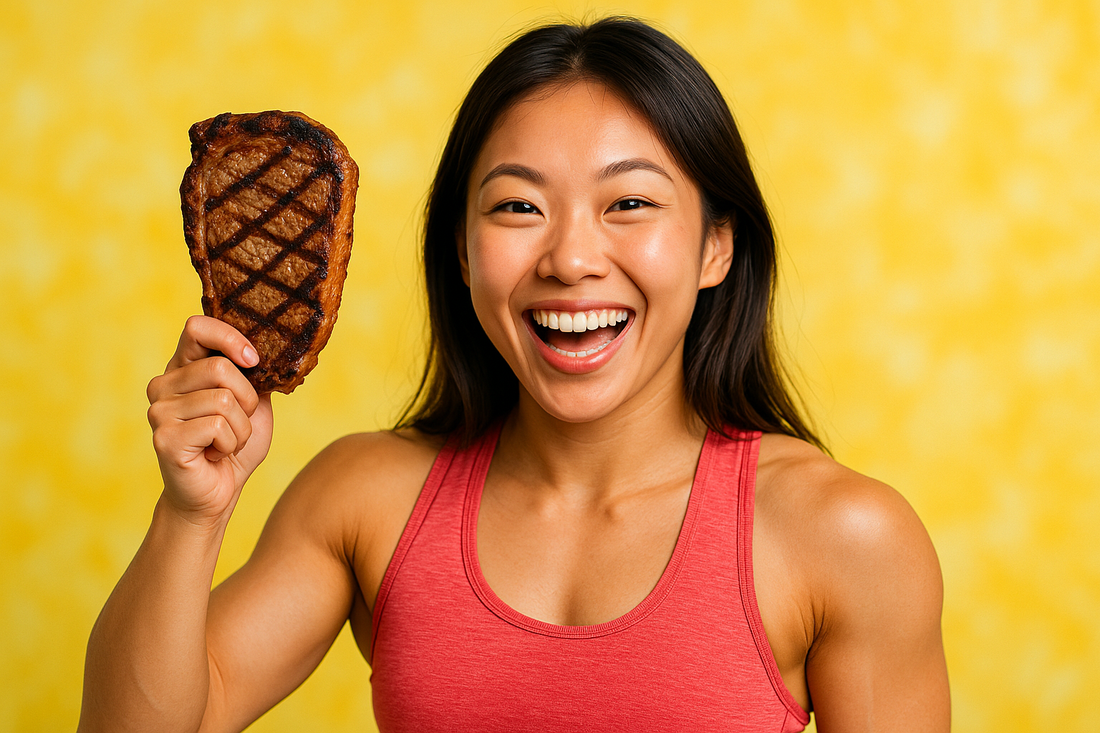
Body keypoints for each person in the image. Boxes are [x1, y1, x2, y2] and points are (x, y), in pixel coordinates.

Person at [78, 17, 949, 732]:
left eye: (630, 203)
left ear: (716, 244)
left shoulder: (845, 536)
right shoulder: (364, 498)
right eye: (518, 206)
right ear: (462, 250)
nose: (571, 258)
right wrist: (191, 512)